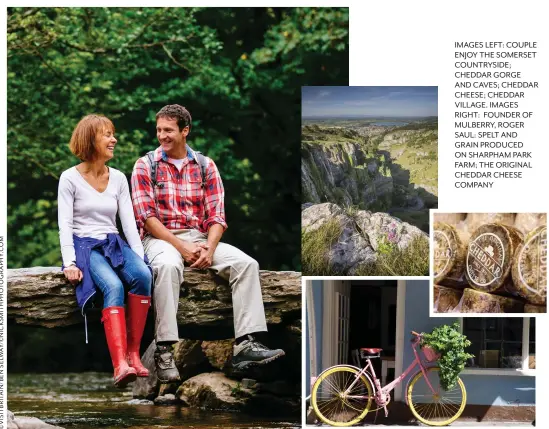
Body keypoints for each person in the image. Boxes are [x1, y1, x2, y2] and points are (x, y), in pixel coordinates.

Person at [131, 104, 284, 383]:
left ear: (185, 130)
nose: (162, 136)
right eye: (158, 130)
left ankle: (245, 345)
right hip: (160, 237)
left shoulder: (205, 166)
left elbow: (216, 216)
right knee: (166, 266)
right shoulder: (146, 165)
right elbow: (147, 218)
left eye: (168, 130)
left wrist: (210, 249)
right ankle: (164, 349)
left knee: (246, 264)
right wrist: (181, 247)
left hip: (201, 237)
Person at [58, 114, 152, 387]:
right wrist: (69, 263)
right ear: (90, 140)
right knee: (113, 286)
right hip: (85, 246)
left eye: (113, 134)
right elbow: (64, 224)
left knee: (143, 277)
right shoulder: (69, 178)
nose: (114, 139)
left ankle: (134, 356)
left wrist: (141, 258)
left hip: (114, 243)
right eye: (107, 135)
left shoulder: (120, 178)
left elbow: (129, 223)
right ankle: (119, 364)